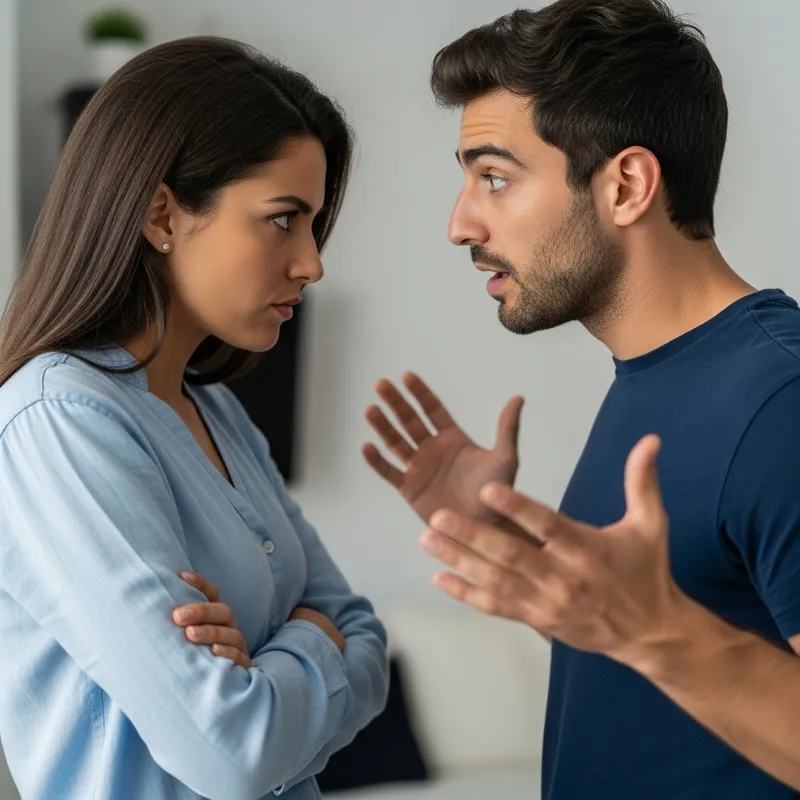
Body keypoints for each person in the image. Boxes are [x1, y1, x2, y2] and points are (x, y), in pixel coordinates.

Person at [364, 1, 800, 797]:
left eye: (494, 177)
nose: (461, 223)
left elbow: (659, 628)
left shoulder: (782, 401)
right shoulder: (658, 373)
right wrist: (508, 546)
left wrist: (656, 629)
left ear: (626, 184)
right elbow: (656, 632)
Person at [0, 37, 388, 800]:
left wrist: (272, 663)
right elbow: (231, 752)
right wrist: (314, 638)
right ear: (160, 214)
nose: (311, 262)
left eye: (312, 226)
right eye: (283, 219)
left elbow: (367, 634)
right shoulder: (59, 421)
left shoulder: (218, 413)